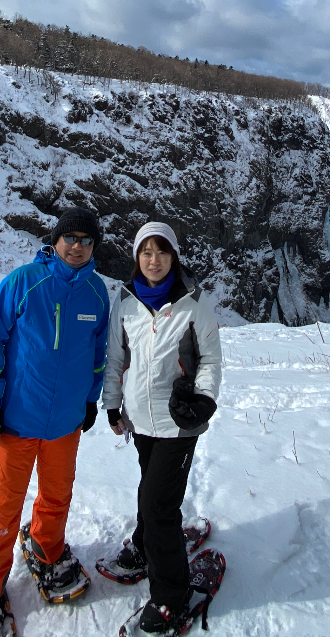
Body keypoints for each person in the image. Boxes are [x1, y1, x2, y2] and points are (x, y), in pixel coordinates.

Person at [0, 207, 111, 637]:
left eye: (87, 240)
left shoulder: (97, 293)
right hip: (16, 422)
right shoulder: (24, 282)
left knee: (58, 495)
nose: (78, 246)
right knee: (4, 507)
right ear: (56, 240)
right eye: (71, 238)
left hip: (64, 423)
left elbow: (96, 357)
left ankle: (47, 549)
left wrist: (88, 401)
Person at [100, 221, 222, 634]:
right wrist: (113, 406)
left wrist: (204, 400)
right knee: (148, 484)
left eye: (162, 251)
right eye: (146, 252)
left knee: (159, 505)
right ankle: (145, 542)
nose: (154, 260)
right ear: (137, 257)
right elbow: (116, 357)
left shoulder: (193, 303)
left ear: (174, 256)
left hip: (179, 421)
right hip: (140, 419)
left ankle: (171, 597)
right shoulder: (126, 301)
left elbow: (209, 358)